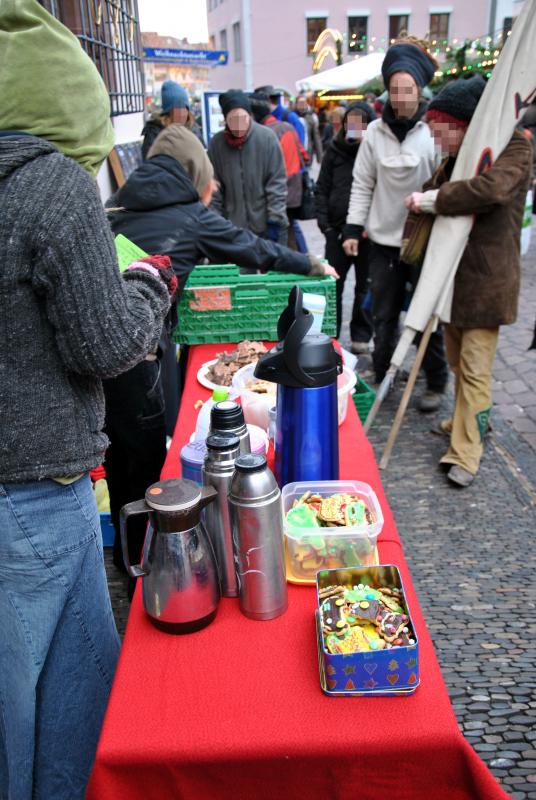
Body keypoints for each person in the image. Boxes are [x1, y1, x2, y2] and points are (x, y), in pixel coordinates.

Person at [0, 2, 173, 798]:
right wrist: (147, 284)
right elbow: (105, 346)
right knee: (68, 720)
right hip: (37, 493)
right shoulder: (55, 184)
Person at [105, 124, 338, 577]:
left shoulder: (114, 207)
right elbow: (251, 247)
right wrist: (308, 262)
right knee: (153, 465)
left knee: (118, 461)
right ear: (195, 172)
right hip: (142, 359)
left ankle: (127, 560)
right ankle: (155, 572)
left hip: (100, 358)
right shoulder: (190, 214)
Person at [405, 77, 532, 487]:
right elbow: (440, 186)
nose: (438, 139)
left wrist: (432, 200)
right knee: (460, 363)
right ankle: (470, 419)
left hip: (487, 281)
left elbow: (489, 190)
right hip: (453, 281)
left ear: (463, 124)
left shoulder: (514, 146)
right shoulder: (462, 153)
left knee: (475, 370)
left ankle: (466, 452)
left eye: (442, 130)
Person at [343, 38, 448, 411]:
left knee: (424, 314)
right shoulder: (373, 132)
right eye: (396, 89)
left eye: (409, 89)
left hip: (424, 240)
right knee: (383, 314)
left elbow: (446, 180)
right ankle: (386, 372)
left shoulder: (434, 129)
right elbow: (362, 183)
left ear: (420, 90)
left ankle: (435, 380)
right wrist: (354, 229)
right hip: (385, 240)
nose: (402, 96)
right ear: (387, 91)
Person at [315, 102, 376, 349]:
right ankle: (332, 337)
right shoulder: (334, 150)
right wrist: (326, 226)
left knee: (365, 286)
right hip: (337, 231)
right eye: (351, 123)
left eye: (360, 124)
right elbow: (322, 188)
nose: (355, 129)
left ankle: (362, 337)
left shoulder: (374, 151)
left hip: (368, 233)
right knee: (333, 287)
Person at [208, 89, 289, 245]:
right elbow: (215, 190)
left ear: (249, 116)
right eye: (233, 119)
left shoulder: (267, 138)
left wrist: (275, 219)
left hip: (267, 224)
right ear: (225, 119)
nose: (238, 124)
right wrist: (217, 223)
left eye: (242, 118)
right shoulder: (217, 145)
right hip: (234, 229)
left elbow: (277, 182)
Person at [249, 92, 309, 253]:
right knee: (291, 227)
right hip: (295, 187)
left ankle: (299, 263)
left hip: (278, 191)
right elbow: (305, 155)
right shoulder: (288, 126)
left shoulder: (263, 134)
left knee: (281, 234)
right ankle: (304, 259)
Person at [141, 80, 203, 158]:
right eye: (177, 109)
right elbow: (150, 163)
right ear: (168, 112)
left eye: (184, 108)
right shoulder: (154, 132)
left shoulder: (194, 129)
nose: (181, 113)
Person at [295, 94, 323, 164]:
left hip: (307, 152)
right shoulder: (292, 117)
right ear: (296, 104)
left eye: (304, 102)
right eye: (300, 102)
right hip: (295, 152)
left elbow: (316, 138)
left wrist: (319, 157)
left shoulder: (310, 118)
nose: (302, 104)